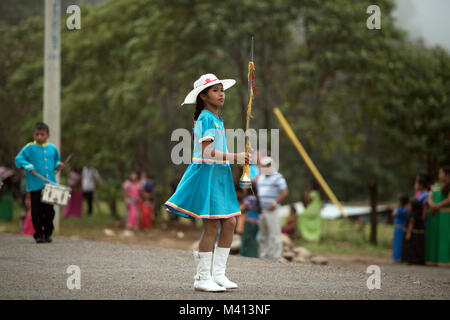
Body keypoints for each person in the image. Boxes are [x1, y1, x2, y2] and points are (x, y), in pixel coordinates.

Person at [164, 73, 249, 292]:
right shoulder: (205, 118)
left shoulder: (216, 118)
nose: (221, 94)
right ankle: (202, 277)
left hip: (219, 175)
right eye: (215, 90)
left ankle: (218, 274)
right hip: (207, 174)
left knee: (230, 222)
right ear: (203, 96)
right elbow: (207, 152)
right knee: (211, 223)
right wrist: (236, 157)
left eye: (222, 90)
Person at [15, 122, 64, 243]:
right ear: (33, 135)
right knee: (36, 211)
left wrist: (59, 165)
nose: (39, 137)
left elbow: (57, 161)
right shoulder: (29, 148)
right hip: (35, 186)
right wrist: (27, 165)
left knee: (49, 211)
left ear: (47, 135)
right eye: (37, 134)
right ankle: (39, 234)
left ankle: (48, 233)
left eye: (42, 134)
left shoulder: (52, 148)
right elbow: (18, 159)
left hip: (50, 186)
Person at [256, 156, 288, 260]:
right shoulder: (260, 177)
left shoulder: (278, 177)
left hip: (273, 210)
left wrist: (274, 204)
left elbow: (284, 192)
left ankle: (275, 256)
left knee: (274, 234)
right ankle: (264, 255)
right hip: (262, 210)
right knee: (263, 234)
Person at [425, 165, 450, 266]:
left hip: (445, 215)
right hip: (434, 215)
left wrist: (437, 206)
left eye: (441, 173)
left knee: (444, 237)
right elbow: (429, 197)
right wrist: (432, 205)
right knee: (433, 237)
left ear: (447, 174)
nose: (439, 175)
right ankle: (432, 260)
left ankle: (444, 260)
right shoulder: (436, 185)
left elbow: (449, 199)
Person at [402, 198, 425, 265]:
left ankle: (412, 260)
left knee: (412, 247)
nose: (408, 207)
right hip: (418, 235)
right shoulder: (418, 214)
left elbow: (411, 224)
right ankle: (417, 260)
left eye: (409, 205)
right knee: (417, 248)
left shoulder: (413, 215)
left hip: (413, 235)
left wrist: (408, 233)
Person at [239, 186, 261, 258]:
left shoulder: (250, 198)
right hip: (256, 222)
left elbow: (243, 208)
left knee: (246, 238)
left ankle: (245, 254)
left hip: (249, 221)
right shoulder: (256, 198)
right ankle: (253, 254)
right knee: (253, 239)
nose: (243, 189)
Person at [392, 194, 410, 263]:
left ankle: (398, 258)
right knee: (398, 243)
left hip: (399, 228)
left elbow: (394, 214)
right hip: (401, 228)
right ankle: (398, 257)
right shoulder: (406, 209)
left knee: (398, 243)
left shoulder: (401, 209)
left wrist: (396, 207)